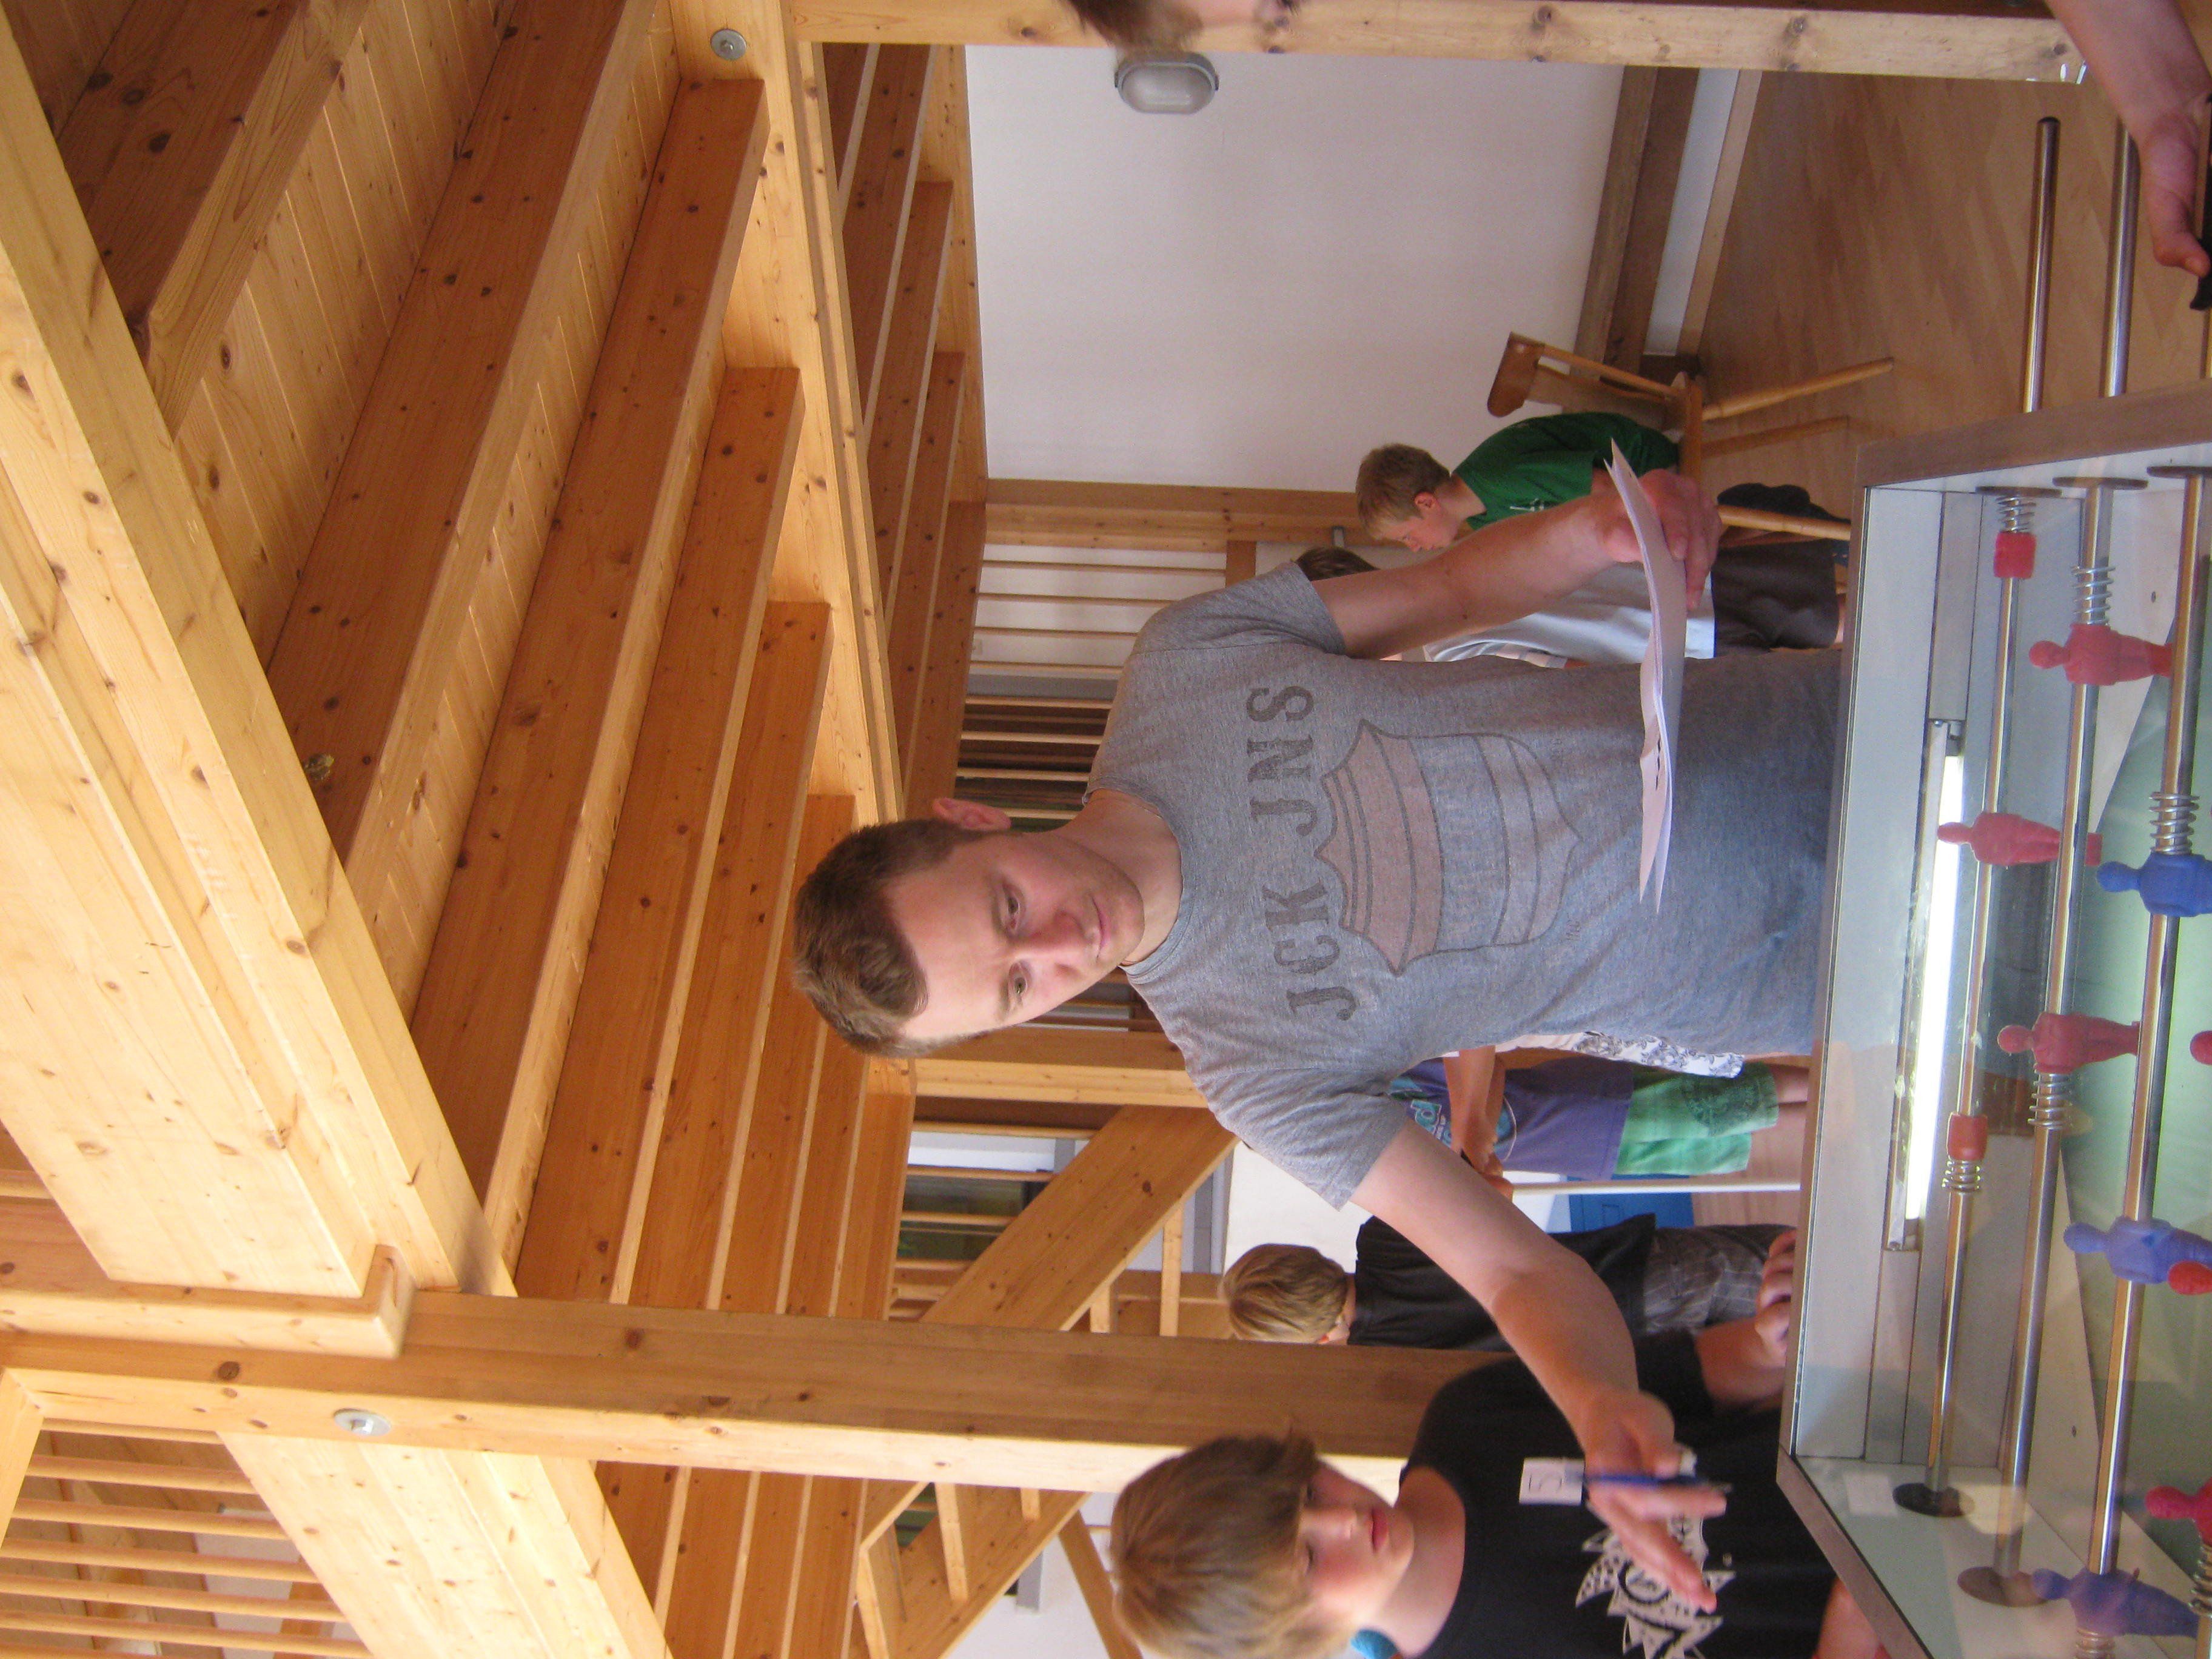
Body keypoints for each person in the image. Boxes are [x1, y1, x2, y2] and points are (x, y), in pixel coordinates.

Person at [795, 467, 1827, 1598]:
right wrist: (1599, 1404)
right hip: (1790, 963)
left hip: (1793, 727)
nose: (1056, 944)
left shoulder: (1179, 666)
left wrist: (1586, 533)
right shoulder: (1250, 1074)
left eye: (1006, 905)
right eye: (1016, 987)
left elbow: (1450, 591)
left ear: (972, 818)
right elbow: (1506, 1266)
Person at [1109, 1293, 1881, 1659]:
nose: (1342, 1519)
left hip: (1883, 1486)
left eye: (1307, 1492)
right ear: (1296, 1641)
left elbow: (1705, 1375)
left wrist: (1771, 1337)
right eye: (1307, 1559)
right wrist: (1856, 1622)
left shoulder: (1468, 1420)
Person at [1222, 1222, 1795, 1350]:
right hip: (1630, 1270)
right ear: (1307, 1258)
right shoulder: (1384, 1239)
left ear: (1309, 1337)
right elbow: (1492, 1190)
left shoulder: (1384, 1367)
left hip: (1635, 1356)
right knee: (1802, 1271)